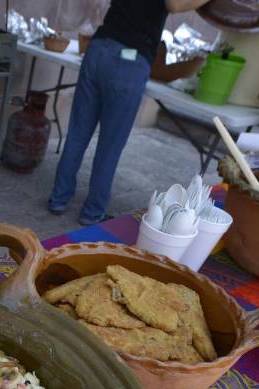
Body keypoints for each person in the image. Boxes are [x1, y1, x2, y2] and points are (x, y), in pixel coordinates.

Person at [48, 0, 214, 225]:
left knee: (77, 134)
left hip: (99, 48)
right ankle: (92, 213)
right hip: (129, 59)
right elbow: (175, 4)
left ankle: (58, 199)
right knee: (110, 146)